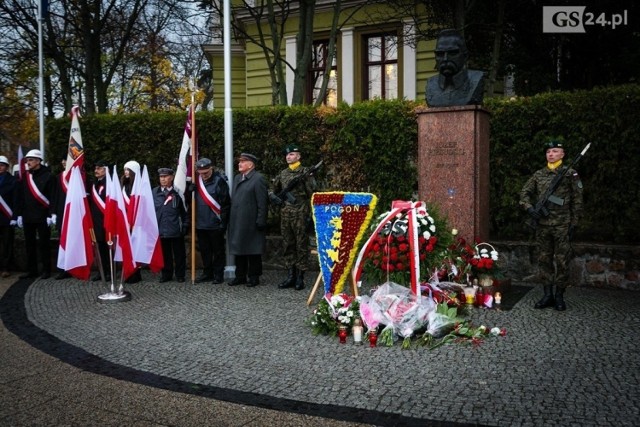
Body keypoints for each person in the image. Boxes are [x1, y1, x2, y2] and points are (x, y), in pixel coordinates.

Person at [519, 138, 583, 311]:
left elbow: (577, 200)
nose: (551, 154)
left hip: (562, 225)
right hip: (542, 225)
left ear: (562, 154)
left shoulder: (570, 173)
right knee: (544, 260)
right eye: (548, 152)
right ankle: (547, 295)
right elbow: (524, 192)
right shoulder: (539, 174)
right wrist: (530, 208)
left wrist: (573, 224)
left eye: (555, 151)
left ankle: (559, 296)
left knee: (562, 261)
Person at [272, 144, 316, 290]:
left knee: (301, 245)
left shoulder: (305, 172)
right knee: (288, 244)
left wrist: (307, 180)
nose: (288, 157)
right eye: (287, 155)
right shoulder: (283, 173)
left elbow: (313, 192)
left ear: (298, 156)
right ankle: (290, 275)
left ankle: (300, 277)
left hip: (300, 213)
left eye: (291, 154)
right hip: (285, 214)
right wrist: (275, 198)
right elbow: (272, 190)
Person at [227, 153, 268, 287]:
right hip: (238, 220)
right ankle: (240, 275)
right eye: (239, 161)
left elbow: (262, 202)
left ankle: (254, 276)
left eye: (243, 162)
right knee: (239, 249)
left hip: (251, 221)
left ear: (250, 164)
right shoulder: (238, 178)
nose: (239, 164)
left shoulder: (258, 179)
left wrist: (261, 220)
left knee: (253, 250)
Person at [15, 149, 57, 279]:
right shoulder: (25, 177)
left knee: (44, 244)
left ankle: (46, 270)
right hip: (27, 215)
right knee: (29, 244)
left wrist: (52, 214)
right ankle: (32, 270)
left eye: (31, 160)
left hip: (43, 216)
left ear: (38, 161)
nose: (28, 162)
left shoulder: (49, 176)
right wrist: (19, 214)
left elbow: (53, 196)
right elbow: (20, 196)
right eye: (27, 160)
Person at [191, 158, 231, 284]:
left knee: (218, 251)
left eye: (206, 172)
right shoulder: (196, 181)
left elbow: (225, 204)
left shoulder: (219, 181)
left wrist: (223, 223)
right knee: (205, 251)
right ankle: (207, 273)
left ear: (211, 168)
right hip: (201, 223)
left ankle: (218, 274)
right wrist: (189, 191)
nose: (204, 175)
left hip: (215, 223)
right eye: (201, 173)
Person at [425, 29, 485, 107]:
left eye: (452, 53)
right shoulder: (431, 84)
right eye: (440, 54)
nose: (445, 59)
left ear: (465, 56)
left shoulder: (477, 78)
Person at [153, 167, 187, 283]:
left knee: (179, 254)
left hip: (176, 228)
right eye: (161, 177)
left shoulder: (178, 193)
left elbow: (184, 211)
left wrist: (185, 225)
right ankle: (166, 274)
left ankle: (180, 274)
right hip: (161, 229)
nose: (163, 179)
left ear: (171, 177)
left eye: (165, 176)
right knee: (165, 254)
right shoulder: (154, 192)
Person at [88, 160, 111, 282]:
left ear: (105, 169)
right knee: (99, 247)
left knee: (107, 247)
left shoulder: (110, 184)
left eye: (99, 168)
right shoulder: (94, 184)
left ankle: (109, 272)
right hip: (96, 221)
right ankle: (101, 271)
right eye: (95, 168)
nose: (96, 170)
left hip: (106, 220)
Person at [121, 160, 142, 283]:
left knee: (136, 248)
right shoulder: (123, 185)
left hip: (136, 222)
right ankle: (128, 271)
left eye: (128, 170)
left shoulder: (139, 186)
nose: (126, 172)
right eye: (125, 170)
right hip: (125, 221)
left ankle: (136, 273)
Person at [53, 156, 72, 280]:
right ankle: (63, 269)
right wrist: (53, 213)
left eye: (66, 159)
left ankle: (74, 267)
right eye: (63, 160)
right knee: (63, 241)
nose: (64, 162)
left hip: (74, 215)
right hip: (61, 213)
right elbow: (54, 196)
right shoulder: (58, 177)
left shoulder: (79, 177)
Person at [0, 155, 17, 278]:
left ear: (6, 167)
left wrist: (15, 217)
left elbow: (16, 200)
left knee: (7, 243)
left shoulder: (12, 180)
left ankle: (6, 267)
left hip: (7, 216)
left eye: (1, 165)